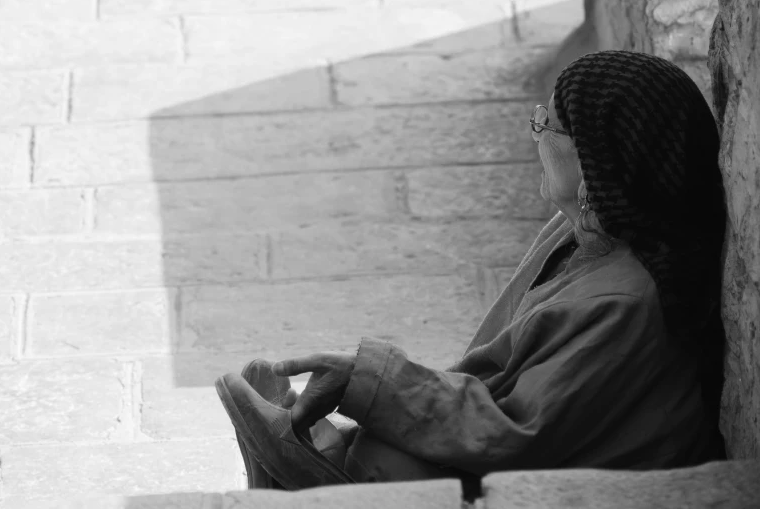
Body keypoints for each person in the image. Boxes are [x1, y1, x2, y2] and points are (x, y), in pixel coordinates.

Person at [218, 50, 728, 494]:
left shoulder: (624, 303)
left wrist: (368, 379)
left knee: (393, 462)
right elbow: (497, 372)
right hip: (529, 439)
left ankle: (317, 475)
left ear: (596, 162)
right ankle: (312, 463)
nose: (537, 135)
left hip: (588, 479)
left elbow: (515, 430)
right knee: (389, 438)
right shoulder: (575, 234)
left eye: (546, 125)